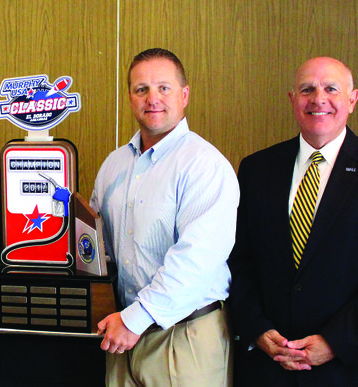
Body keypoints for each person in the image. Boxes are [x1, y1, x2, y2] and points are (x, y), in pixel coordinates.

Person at [228, 57, 358, 386]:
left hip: (352, 368)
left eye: (331, 88)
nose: (318, 99)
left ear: (352, 99)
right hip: (268, 366)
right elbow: (237, 259)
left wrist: (336, 341)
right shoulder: (256, 168)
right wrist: (257, 329)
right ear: (293, 99)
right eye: (307, 89)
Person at [90, 48, 239, 386]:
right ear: (130, 97)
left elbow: (196, 260)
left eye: (164, 88)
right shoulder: (114, 164)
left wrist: (135, 320)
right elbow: (99, 247)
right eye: (141, 89)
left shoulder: (204, 164)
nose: (152, 98)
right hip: (122, 333)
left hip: (184, 336)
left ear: (184, 95)